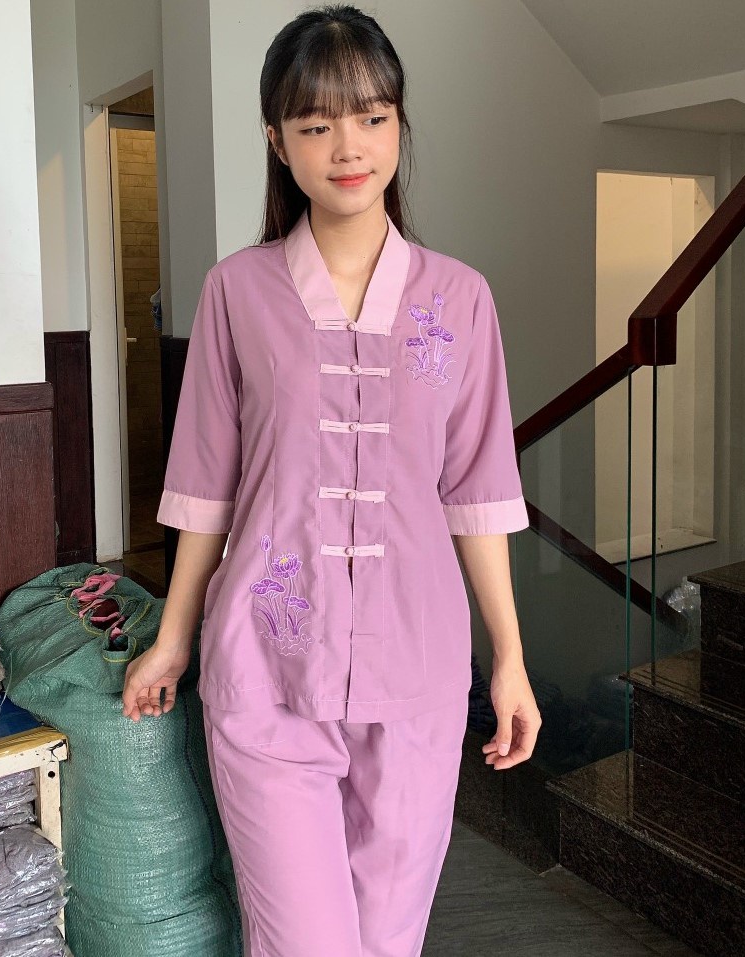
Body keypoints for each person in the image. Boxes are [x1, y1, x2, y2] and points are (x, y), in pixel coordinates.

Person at [122, 5, 542, 954]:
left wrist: (508, 656)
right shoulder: (236, 291)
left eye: (371, 118)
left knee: (389, 940)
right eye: (315, 125)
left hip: (419, 670)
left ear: (399, 125)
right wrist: (174, 639)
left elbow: (476, 492)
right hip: (267, 665)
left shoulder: (459, 298)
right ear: (277, 140)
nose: (347, 148)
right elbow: (205, 483)